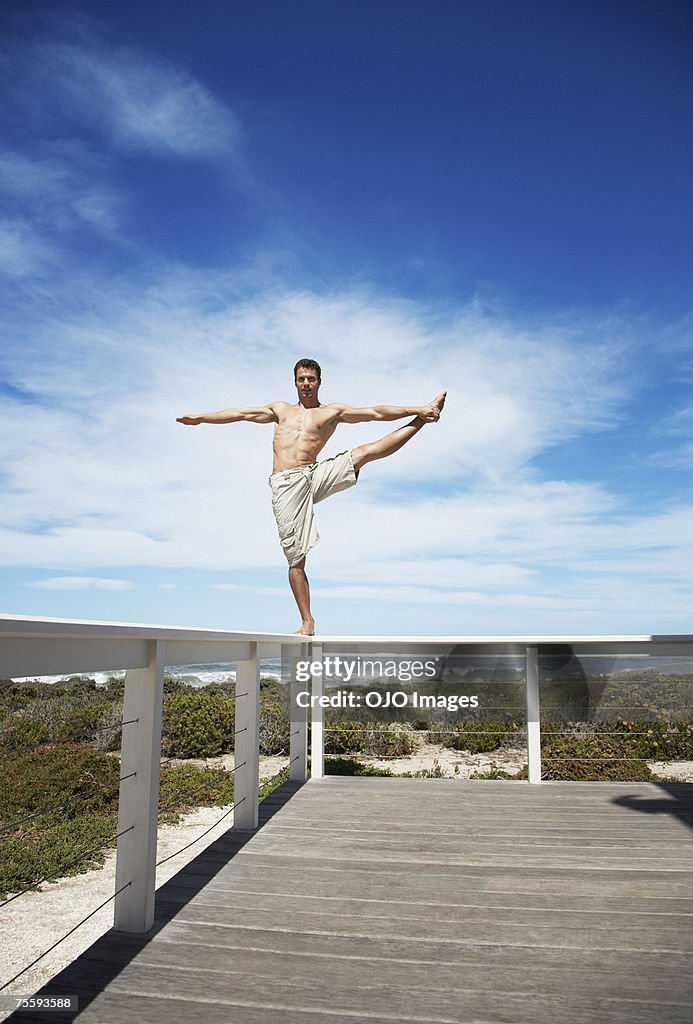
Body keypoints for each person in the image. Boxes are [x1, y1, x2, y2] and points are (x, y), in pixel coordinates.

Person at [177, 359, 446, 635]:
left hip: (314, 473)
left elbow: (376, 412)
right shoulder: (280, 410)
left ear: (319, 382)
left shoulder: (332, 412)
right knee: (296, 559)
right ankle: (308, 621)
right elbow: (239, 413)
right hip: (286, 484)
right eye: (301, 379)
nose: (306, 384)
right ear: (295, 382)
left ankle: (422, 421)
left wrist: (418, 409)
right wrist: (200, 418)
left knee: (365, 453)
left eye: (311, 379)